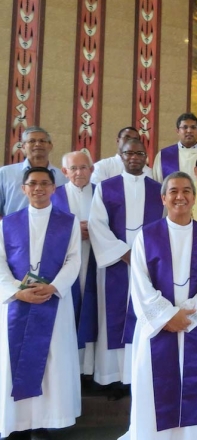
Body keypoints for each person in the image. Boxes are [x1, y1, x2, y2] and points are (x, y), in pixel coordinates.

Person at [120, 172, 197, 440]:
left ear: (194, 197)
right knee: (153, 388)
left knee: (195, 387)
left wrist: (184, 317)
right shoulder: (147, 236)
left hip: (193, 326)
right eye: (174, 191)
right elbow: (139, 283)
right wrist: (166, 316)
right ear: (163, 198)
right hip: (156, 328)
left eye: (187, 191)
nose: (180, 196)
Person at [0, 167, 81, 439]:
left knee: (51, 362)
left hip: (52, 301)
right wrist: (16, 291)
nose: (38, 188)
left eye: (44, 183)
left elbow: (73, 260)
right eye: (32, 183)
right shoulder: (7, 223)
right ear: (23, 188)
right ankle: (17, 421)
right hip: (16, 303)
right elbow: (0, 264)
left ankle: (44, 420)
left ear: (53, 188)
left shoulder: (67, 222)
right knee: (15, 361)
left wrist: (54, 286)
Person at [88, 138, 163, 396]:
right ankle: (114, 377)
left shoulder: (158, 189)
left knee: (145, 315)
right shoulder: (105, 188)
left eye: (139, 153)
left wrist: (144, 257)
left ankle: (140, 374)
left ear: (146, 156)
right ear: (120, 155)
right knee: (114, 316)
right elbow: (97, 224)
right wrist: (124, 253)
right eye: (128, 153)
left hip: (148, 266)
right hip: (116, 265)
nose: (134, 157)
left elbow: (165, 227)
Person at [52, 152, 98, 377]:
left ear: (92, 169)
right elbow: (48, 230)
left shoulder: (103, 193)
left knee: (93, 308)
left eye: (84, 167)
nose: (79, 172)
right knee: (69, 310)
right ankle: (70, 370)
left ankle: (89, 368)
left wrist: (95, 232)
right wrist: (72, 233)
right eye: (74, 168)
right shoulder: (54, 196)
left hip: (96, 260)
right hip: (65, 263)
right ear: (64, 172)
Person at [0, 126, 67, 217]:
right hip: (14, 228)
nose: (37, 144)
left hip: (53, 229)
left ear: (50, 146)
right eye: (32, 141)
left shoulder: (63, 177)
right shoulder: (6, 173)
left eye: (42, 141)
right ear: (23, 146)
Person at [152, 113, 197, 186]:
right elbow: (156, 186)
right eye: (185, 127)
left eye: (193, 127)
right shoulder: (163, 156)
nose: (189, 131)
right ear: (177, 131)